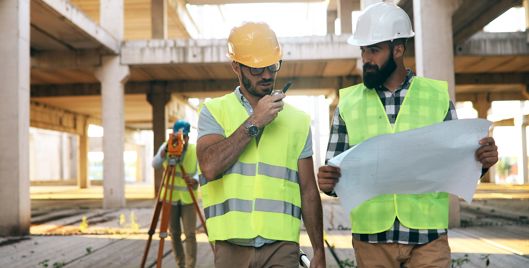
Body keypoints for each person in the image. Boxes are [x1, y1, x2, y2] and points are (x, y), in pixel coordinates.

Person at [317, 2, 499, 267]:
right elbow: (334, 175)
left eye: (374, 50)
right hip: (372, 240)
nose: (366, 58)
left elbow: (456, 164)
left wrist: (481, 161)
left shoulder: (436, 96)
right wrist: (327, 181)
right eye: (363, 50)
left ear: (398, 49)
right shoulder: (348, 103)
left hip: (428, 239)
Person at [196, 22, 325, 268]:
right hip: (231, 246)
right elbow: (209, 167)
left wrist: (318, 250)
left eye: (272, 66)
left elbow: (308, 190)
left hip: (282, 247)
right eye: (256, 69)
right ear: (236, 66)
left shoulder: (298, 121)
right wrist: (255, 120)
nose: (267, 75)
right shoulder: (214, 111)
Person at [152, 120, 198, 268]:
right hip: (169, 198)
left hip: (188, 199)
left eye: (183, 136)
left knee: (190, 234)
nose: (181, 140)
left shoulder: (194, 150)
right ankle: (181, 265)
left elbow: (201, 171)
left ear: (188, 137)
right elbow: (155, 164)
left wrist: (195, 179)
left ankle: (190, 266)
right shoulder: (166, 146)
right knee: (174, 234)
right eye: (178, 136)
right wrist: (164, 152)